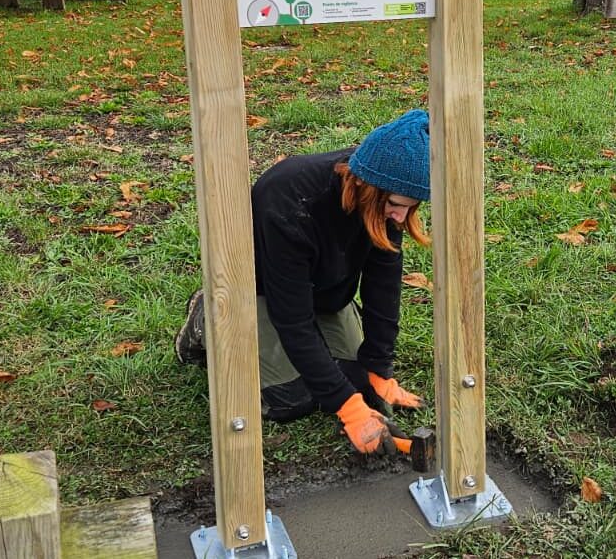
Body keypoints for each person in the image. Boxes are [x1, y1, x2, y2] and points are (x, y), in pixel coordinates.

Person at [175, 109, 431, 456]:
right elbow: (291, 318)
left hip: (326, 292)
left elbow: (383, 286)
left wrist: (378, 368)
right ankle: (208, 315)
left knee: (356, 379)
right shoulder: (289, 201)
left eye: (411, 207)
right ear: (366, 188)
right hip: (264, 293)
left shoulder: (388, 192)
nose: (401, 217)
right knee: (289, 399)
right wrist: (349, 409)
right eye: (398, 205)